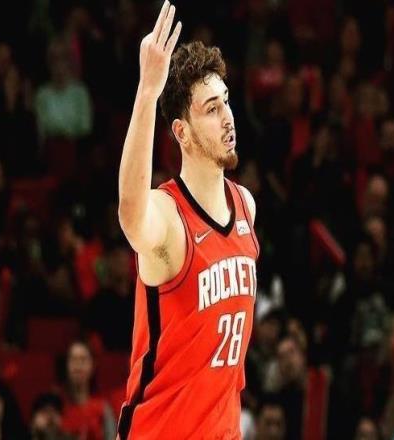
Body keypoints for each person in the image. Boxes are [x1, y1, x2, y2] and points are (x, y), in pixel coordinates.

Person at [116, 1, 259, 438]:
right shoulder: (168, 218)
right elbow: (131, 213)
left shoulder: (246, 206)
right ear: (181, 132)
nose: (227, 118)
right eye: (211, 109)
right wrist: (147, 92)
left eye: (226, 102)